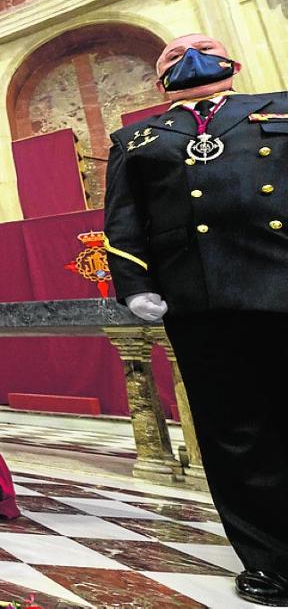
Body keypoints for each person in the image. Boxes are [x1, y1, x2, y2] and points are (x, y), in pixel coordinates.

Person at [105, 33, 288, 606]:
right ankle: (270, 560)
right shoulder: (136, 138)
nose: (190, 56)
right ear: (159, 82)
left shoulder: (280, 108)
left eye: (203, 46)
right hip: (202, 299)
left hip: (281, 282)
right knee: (234, 433)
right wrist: (136, 286)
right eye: (174, 55)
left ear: (234, 63)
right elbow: (124, 219)